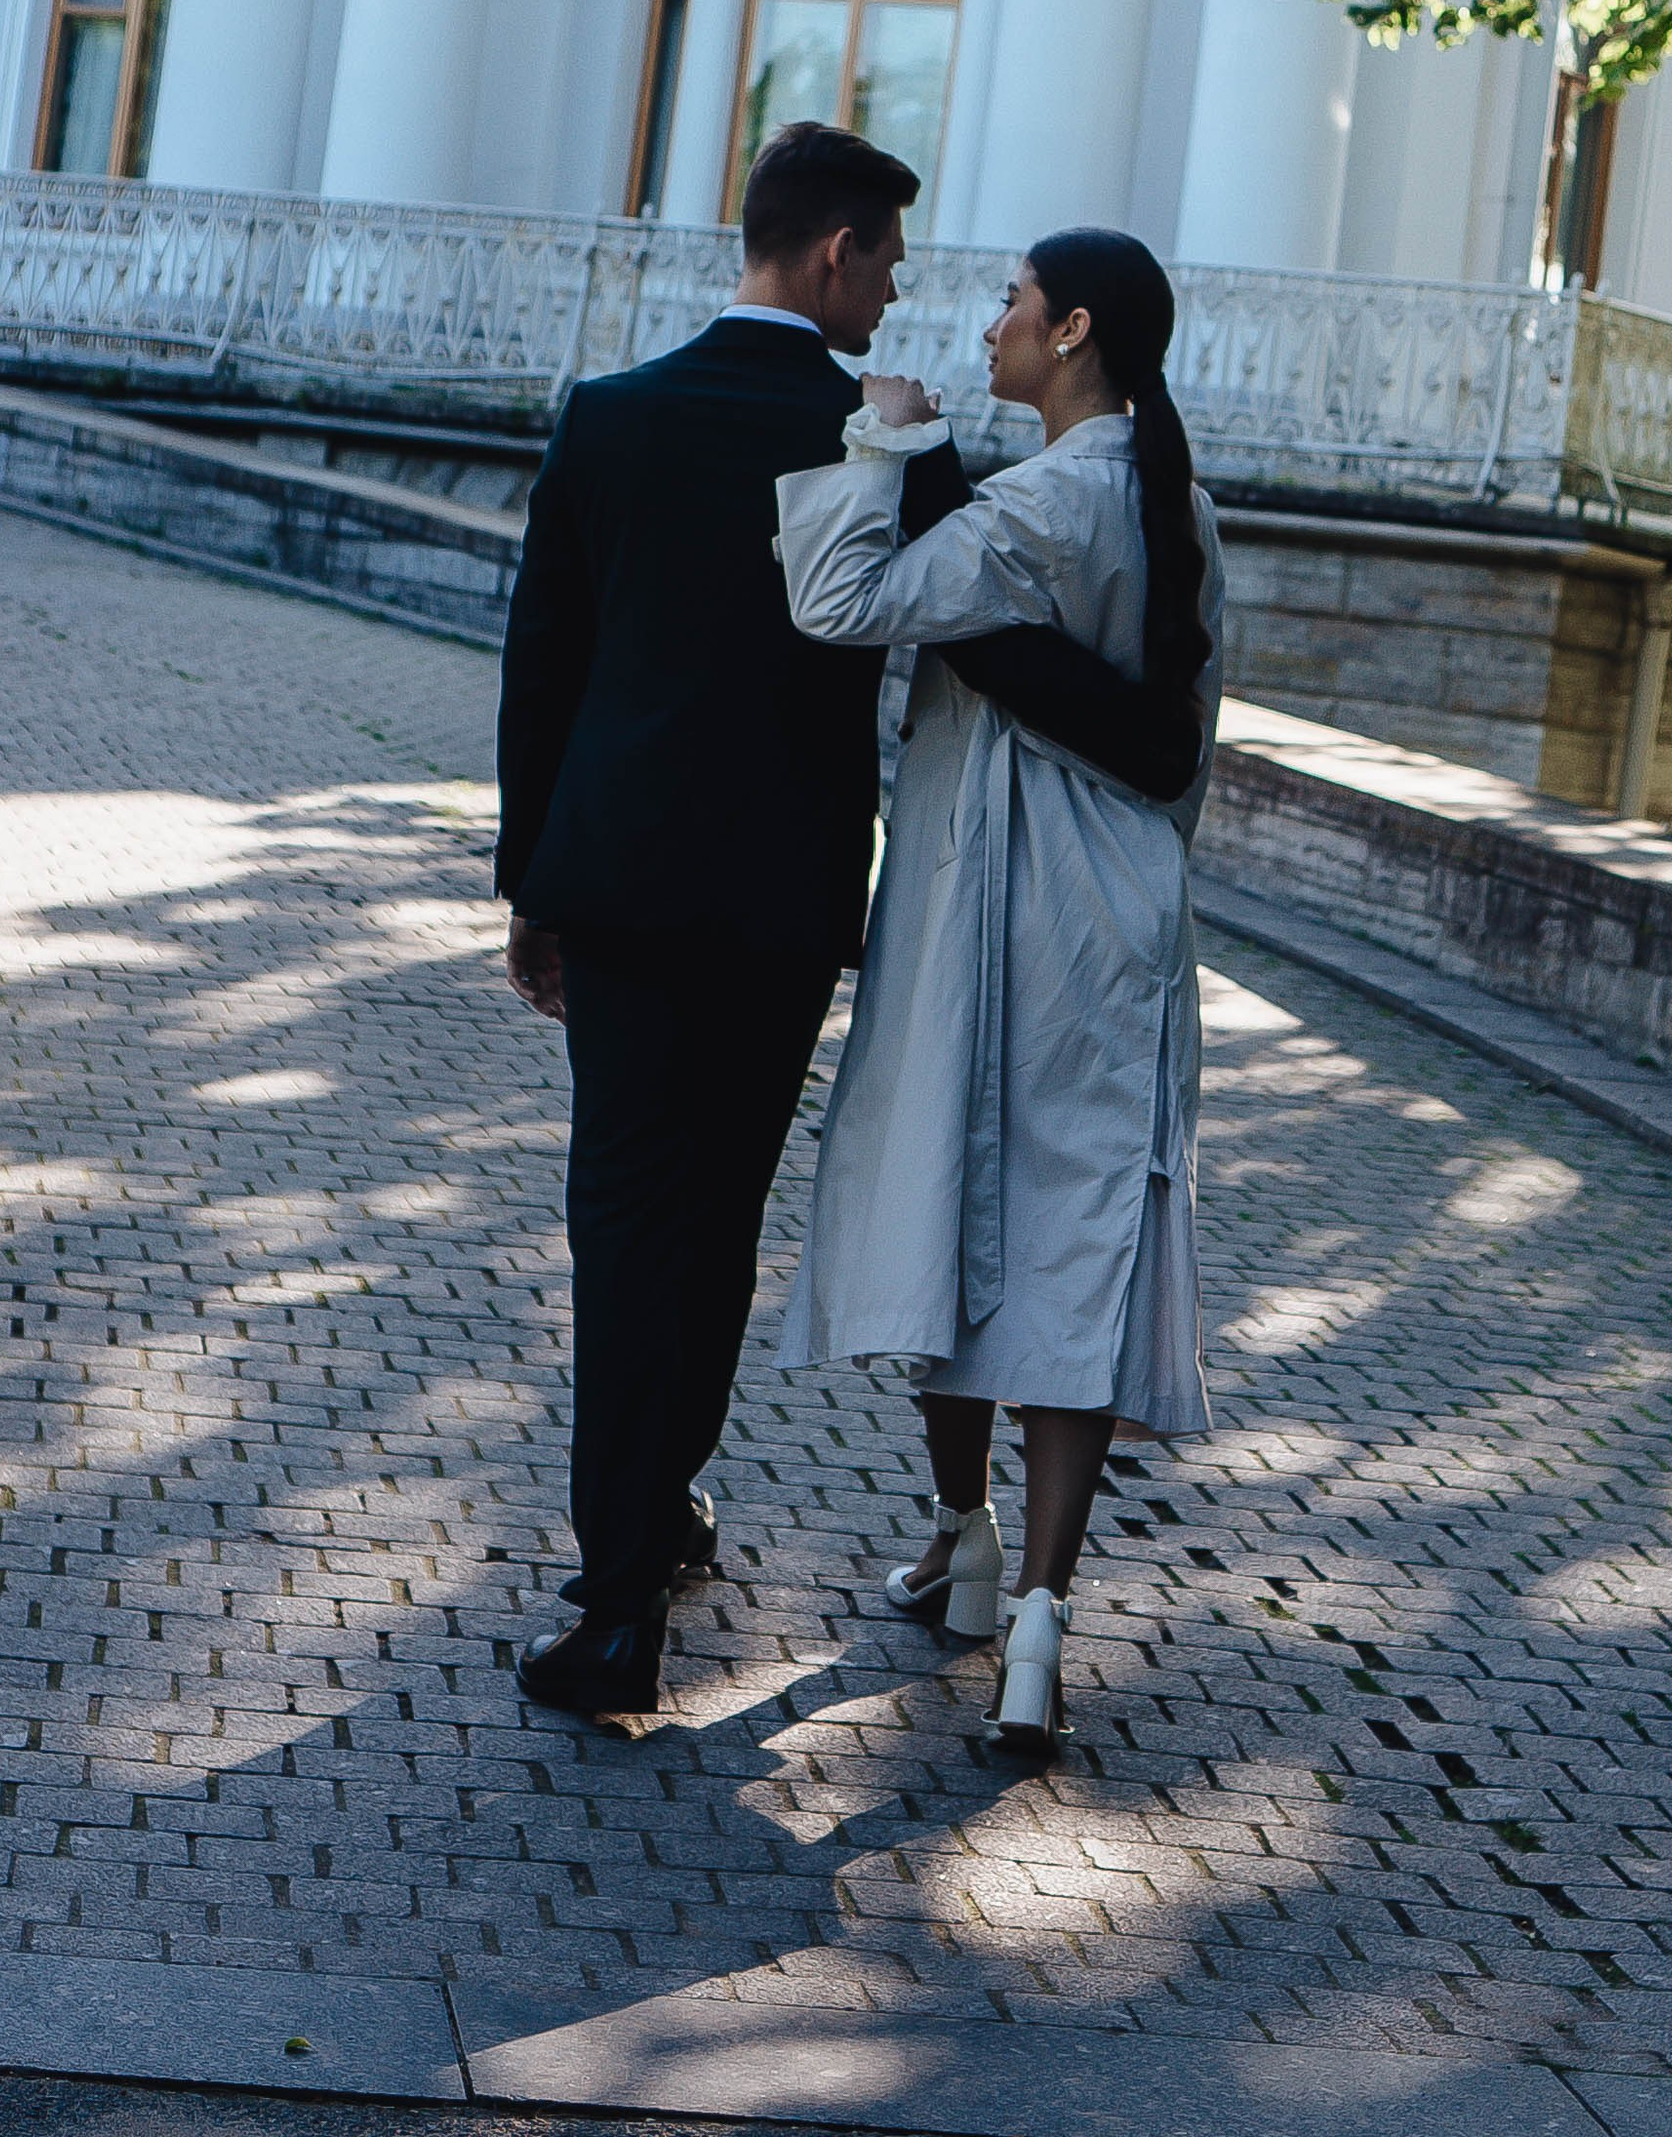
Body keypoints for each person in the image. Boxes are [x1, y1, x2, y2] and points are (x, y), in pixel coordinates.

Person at [492, 124, 1196, 1730]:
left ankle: (617, 1603)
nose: (901, 295)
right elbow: (999, 654)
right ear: (832, 254)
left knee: (622, 1226)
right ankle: (656, 1526)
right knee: (717, 1230)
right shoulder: (890, 444)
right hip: (780, 914)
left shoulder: (608, 418)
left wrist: (531, 882)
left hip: (613, 894)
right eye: (887, 260)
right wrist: (1156, 741)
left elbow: (545, 675)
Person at [773, 227, 1222, 1761]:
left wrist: (881, 439)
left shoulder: (1032, 502)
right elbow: (1187, 748)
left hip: (991, 901)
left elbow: (838, 603)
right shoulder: (1179, 508)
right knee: (1076, 1243)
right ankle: (1034, 1609)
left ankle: (962, 1535)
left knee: (955, 1209)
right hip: (1124, 919)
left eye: (1013, 306)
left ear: (1075, 329)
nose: (988, 327)